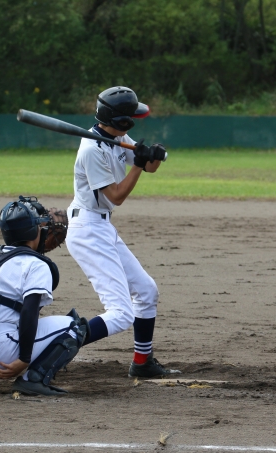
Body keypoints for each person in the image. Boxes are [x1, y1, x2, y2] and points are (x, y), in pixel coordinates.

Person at [64, 86, 177, 378]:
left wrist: (153, 155)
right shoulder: (92, 149)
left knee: (146, 291)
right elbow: (116, 196)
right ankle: (52, 347)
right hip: (88, 229)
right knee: (120, 312)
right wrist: (138, 166)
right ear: (122, 121)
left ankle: (142, 362)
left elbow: (148, 166)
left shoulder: (116, 138)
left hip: (101, 226)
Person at [0, 197, 89, 396]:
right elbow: (29, 312)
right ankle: (33, 380)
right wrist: (24, 359)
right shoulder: (36, 264)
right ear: (34, 231)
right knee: (74, 326)